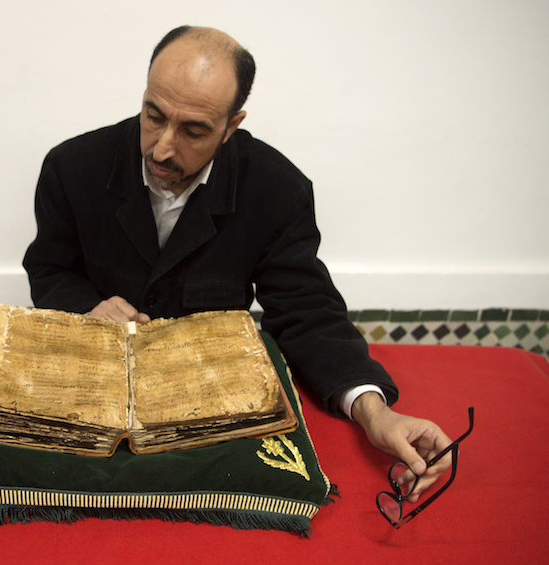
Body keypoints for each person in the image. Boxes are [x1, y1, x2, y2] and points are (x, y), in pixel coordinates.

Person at [23, 25, 452, 502]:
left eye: (194, 131)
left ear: (232, 125)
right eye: (153, 115)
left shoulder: (278, 189)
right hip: (95, 387)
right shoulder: (71, 166)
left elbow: (306, 311)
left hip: (207, 399)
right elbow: (50, 269)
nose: (163, 148)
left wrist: (376, 413)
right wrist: (89, 308)